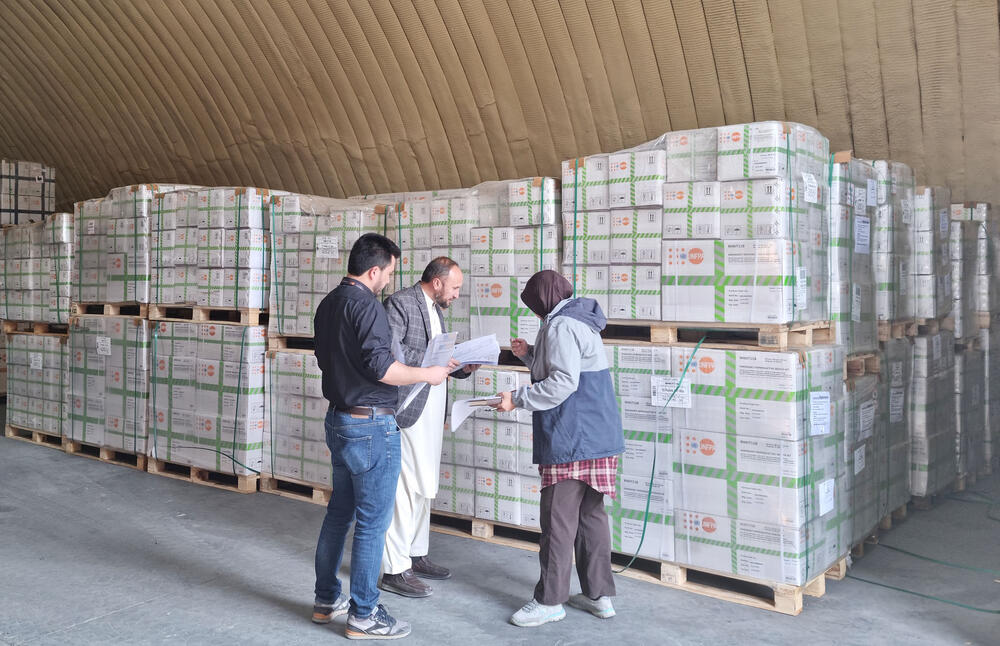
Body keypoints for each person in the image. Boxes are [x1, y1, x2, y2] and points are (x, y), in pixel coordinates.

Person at [312, 233, 454, 641]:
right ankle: (364, 613)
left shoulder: (328, 304)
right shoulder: (367, 307)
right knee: (374, 523)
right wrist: (429, 374)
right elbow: (382, 368)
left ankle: (326, 600)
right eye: (388, 273)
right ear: (373, 270)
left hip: (339, 420)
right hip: (372, 425)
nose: (389, 282)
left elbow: (326, 359)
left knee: (339, 514)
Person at [492, 270, 624, 627]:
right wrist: (530, 354)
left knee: (558, 521)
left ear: (544, 299)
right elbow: (560, 367)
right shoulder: (576, 319)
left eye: (535, 307)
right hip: (597, 435)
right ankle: (599, 595)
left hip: (573, 437)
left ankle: (550, 600)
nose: (535, 314)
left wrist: (516, 399)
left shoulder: (561, 326)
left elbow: (563, 382)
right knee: (590, 517)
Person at [380, 257, 479, 598]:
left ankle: (415, 553)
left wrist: (464, 365)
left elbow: (440, 360)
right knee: (404, 488)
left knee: (424, 484)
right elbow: (392, 351)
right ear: (437, 282)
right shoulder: (401, 303)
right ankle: (394, 568)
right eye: (454, 288)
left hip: (432, 413)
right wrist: (435, 358)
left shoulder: (435, 309)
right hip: (408, 408)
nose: (456, 295)